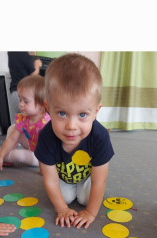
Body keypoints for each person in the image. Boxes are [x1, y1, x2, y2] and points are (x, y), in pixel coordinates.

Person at [34, 53, 114, 229]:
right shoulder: (46, 136)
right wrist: (62, 209)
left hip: (88, 178)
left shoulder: (100, 136)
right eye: (62, 113)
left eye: (82, 114)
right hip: (62, 178)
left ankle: (82, 192)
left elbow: (99, 180)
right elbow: (50, 180)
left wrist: (91, 212)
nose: (71, 126)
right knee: (65, 198)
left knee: (87, 199)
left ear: (96, 111)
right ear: (48, 108)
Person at [0, 75, 50, 169]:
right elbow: (12, 139)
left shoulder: (46, 124)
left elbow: (50, 150)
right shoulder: (23, 118)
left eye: (26, 101)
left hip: (41, 158)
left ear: (42, 104)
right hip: (32, 146)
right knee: (12, 128)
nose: (21, 104)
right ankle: (4, 155)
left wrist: (46, 169)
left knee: (18, 155)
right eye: (20, 100)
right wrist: (1, 156)